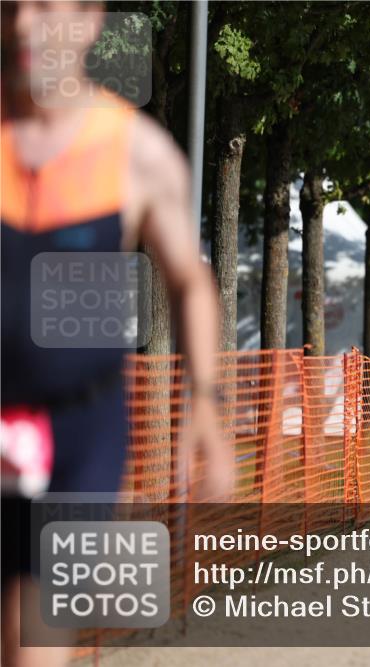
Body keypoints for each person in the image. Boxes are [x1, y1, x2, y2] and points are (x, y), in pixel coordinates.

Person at [1, 3, 234, 665]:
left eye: (44, 7)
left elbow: (190, 281)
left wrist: (205, 403)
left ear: (88, 22)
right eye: (11, 7)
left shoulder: (137, 151)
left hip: (81, 431)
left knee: (34, 641)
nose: (23, 25)